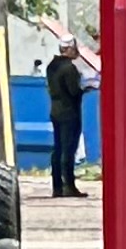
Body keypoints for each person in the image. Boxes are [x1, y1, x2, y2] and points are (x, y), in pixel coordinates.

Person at [43, 33, 88, 197]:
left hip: (55, 110)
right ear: (69, 49)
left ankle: (57, 186)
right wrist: (85, 88)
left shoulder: (51, 67)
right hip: (69, 112)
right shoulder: (69, 68)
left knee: (58, 148)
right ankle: (69, 185)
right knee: (69, 149)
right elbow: (73, 91)